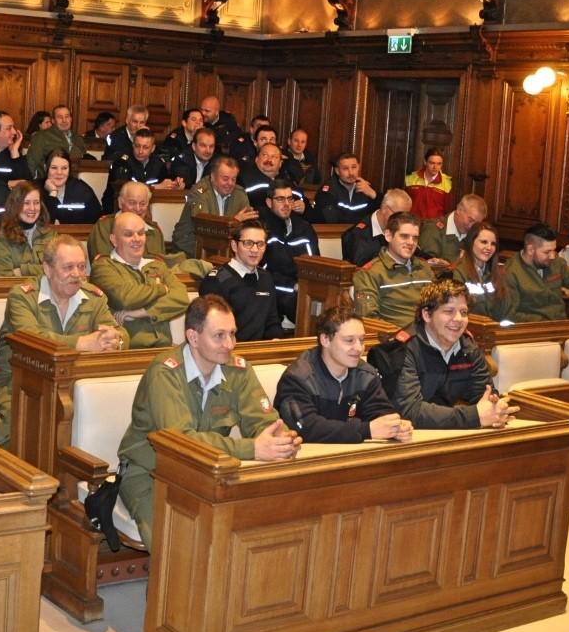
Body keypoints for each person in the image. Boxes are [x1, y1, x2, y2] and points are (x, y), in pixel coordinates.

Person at [117, 295, 298, 549]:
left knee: (250, 529)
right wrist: (253, 448)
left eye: (233, 334)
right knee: (173, 542)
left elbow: (264, 422)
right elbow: (181, 440)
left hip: (212, 472)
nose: (230, 344)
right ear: (193, 337)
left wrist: (280, 439)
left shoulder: (238, 371)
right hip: (151, 471)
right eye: (219, 335)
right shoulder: (165, 373)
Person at [0, 236, 124, 446]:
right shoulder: (22, 296)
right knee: (16, 426)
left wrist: (115, 340)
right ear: (48, 269)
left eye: (81, 267)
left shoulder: (95, 298)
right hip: (19, 376)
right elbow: (30, 337)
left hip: (74, 377)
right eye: (68, 267)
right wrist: (81, 343)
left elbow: (119, 333)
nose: (77, 275)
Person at [390, 280, 518, 429]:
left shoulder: (468, 347)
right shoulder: (403, 349)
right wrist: (473, 416)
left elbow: (484, 397)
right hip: (405, 436)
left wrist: (495, 408)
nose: (458, 319)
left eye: (463, 312)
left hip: (449, 432)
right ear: (427, 315)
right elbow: (410, 411)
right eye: (449, 311)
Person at [274, 305, 411, 443]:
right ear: (325, 340)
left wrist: (396, 426)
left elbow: (381, 412)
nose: (359, 348)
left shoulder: (366, 374)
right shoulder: (297, 378)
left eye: (362, 340)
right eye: (349, 340)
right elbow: (307, 427)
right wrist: (366, 430)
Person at [92, 210, 190, 348]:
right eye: (128, 234)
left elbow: (182, 298)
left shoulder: (157, 265)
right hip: (128, 351)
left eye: (141, 233)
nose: (137, 239)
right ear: (113, 240)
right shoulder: (103, 267)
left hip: (164, 347)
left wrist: (142, 313)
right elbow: (125, 298)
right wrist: (163, 289)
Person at [199, 220, 283, 341]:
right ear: (234, 246)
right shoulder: (216, 280)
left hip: (260, 351)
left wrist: (275, 341)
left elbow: (272, 321)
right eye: (248, 243)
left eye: (260, 244)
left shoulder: (266, 278)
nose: (255, 250)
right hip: (227, 351)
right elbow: (212, 330)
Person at [88, 180, 192, 271]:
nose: (138, 209)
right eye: (132, 203)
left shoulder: (154, 231)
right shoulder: (104, 227)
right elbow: (102, 264)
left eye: (142, 204)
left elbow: (160, 267)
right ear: (120, 203)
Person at [352, 211, 435, 324]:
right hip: (395, 337)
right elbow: (369, 320)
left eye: (415, 238)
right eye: (404, 236)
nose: (411, 243)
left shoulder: (424, 268)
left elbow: (438, 306)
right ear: (388, 236)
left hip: (430, 334)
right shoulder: (369, 273)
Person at [171, 155, 257, 257]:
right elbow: (204, 225)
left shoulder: (240, 194)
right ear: (212, 177)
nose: (230, 183)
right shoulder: (198, 192)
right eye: (225, 179)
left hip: (225, 251)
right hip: (191, 249)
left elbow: (246, 227)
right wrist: (234, 221)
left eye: (233, 179)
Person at [262, 179, 319, 328]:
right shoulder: (262, 229)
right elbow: (261, 272)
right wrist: (292, 285)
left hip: (305, 290)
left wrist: (307, 286)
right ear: (269, 203)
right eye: (280, 199)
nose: (286, 204)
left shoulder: (304, 228)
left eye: (289, 198)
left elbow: (316, 264)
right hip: (276, 292)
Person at [0, 181, 55, 277]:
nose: (32, 208)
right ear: (15, 205)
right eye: (26, 203)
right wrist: (42, 270)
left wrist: (23, 270)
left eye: (36, 203)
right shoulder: (1, 239)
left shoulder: (50, 235)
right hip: (18, 291)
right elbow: (4, 277)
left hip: (47, 290)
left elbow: (58, 270)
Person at [106, 127, 178, 209]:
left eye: (145, 147)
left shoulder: (159, 163)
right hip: (122, 209)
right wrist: (155, 187)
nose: (140, 151)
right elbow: (123, 188)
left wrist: (174, 185)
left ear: (153, 148)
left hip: (149, 208)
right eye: (137, 146)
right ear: (133, 145)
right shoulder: (122, 162)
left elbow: (165, 185)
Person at [342, 188, 413, 268]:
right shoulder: (358, 234)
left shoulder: (397, 229)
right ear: (385, 209)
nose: (402, 221)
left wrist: (428, 259)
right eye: (399, 216)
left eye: (405, 217)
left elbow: (415, 253)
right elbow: (361, 269)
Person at [454, 220, 508, 320]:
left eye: (493, 244)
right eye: (484, 242)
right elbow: (458, 311)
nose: (489, 247)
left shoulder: (498, 273)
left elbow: (504, 309)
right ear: (471, 242)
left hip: (494, 329)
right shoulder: (458, 272)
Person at [418, 193, 489, 266]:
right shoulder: (433, 229)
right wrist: (449, 267)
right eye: (470, 220)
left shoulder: (476, 235)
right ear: (459, 209)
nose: (472, 226)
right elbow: (424, 266)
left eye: (476, 224)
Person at [38, 149, 103, 226]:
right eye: (54, 168)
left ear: (69, 170)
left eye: (64, 168)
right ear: (46, 168)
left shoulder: (82, 190)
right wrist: (53, 193)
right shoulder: (35, 189)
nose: (59, 172)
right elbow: (44, 224)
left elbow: (97, 222)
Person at [312, 153, 379, 225]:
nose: (351, 173)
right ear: (337, 171)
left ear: (358, 167)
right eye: (345, 168)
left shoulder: (367, 187)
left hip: (361, 233)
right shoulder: (327, 191)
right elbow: (332, 219)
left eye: (354, 167)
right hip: (335, 233)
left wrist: (373, 194)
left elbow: (383, 214)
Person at [25, 103, 87, 173]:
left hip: (74, 178)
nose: (64, 120)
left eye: (67, 117)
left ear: (71, 119)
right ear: (53, 120)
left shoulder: (78, 138)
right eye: (60, 117)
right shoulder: (41, 136)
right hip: (49, 179)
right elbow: (31, 164)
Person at [405, 148, 453, 219]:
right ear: (425, 162)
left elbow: (448, 211)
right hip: (412, 222)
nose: (435, 167)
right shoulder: (410, 179)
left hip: (434, 226)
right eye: (432, 163)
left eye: (439, 164)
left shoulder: (447, 183)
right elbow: (404, 203)